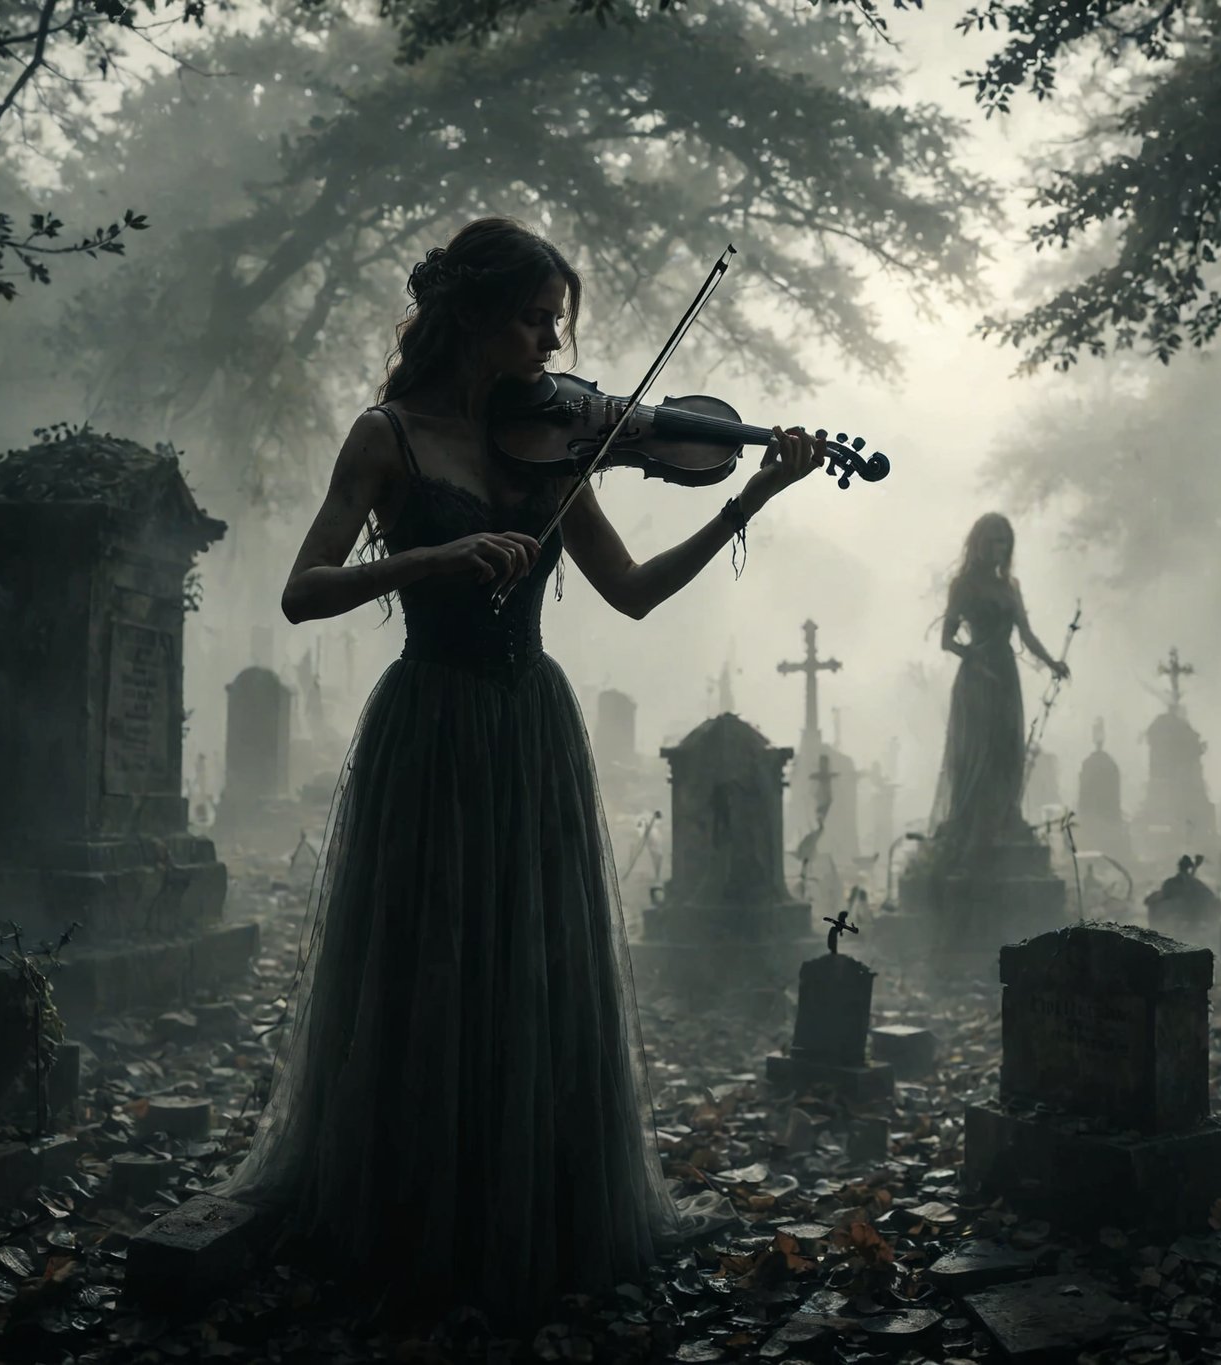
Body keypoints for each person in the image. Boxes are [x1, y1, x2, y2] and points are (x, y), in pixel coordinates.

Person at [214, 217, 824, 1322]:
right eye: (537, 320)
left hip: (529, 728)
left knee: (525, 964)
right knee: (428, 962)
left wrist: (750, 499)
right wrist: (431, 555)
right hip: (432, 723)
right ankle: (416, 1214)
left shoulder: (551, 446)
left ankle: (525, 1205)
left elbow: (630, 591)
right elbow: (304, 590)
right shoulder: (386, 436)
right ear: (475, 317)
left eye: (558, 324)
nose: (554, 345)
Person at [925, 512, 1070, 864]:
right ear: (978, 544)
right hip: (977, 680)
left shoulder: (1010, 587)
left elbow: (1027, 634)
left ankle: (1004, 817)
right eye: (992, 540)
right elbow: (947, 640)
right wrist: (973, 659)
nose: (997, 548)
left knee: (1006, 750)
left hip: (1005, 676)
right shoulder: (963, 586)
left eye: (1003, 541)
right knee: (978, 754)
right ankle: (973, 825)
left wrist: (1053, 663)